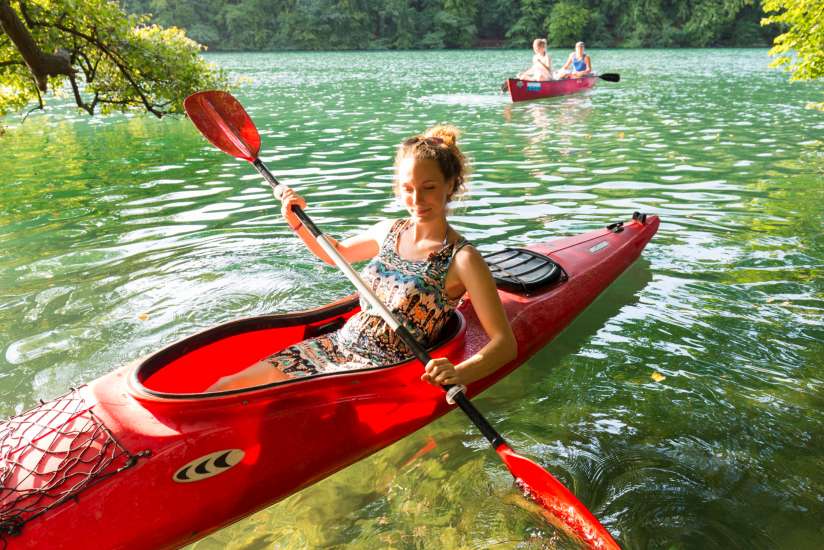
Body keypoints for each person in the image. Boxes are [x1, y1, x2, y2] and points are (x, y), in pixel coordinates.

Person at [208, 126, 517, 392]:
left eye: (429, 188)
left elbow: (505, 345)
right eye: (407, 189)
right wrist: (297, 221)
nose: (417, 200)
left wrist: (458, 373)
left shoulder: (462, 259)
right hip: (336, 345)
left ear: (451, 186)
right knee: (225, 385)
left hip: (377, 373)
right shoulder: (390, 230)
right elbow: (337, 255)